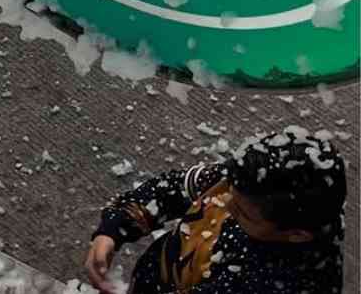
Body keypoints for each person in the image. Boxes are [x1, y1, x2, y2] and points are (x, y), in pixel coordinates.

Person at [84, 126, 347, 294]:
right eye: (228, 190)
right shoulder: (247, 182)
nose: (226, 205)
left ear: (297, 234)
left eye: (243, 214)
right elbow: (172, 189)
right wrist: (114, 229)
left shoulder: (275, 284)